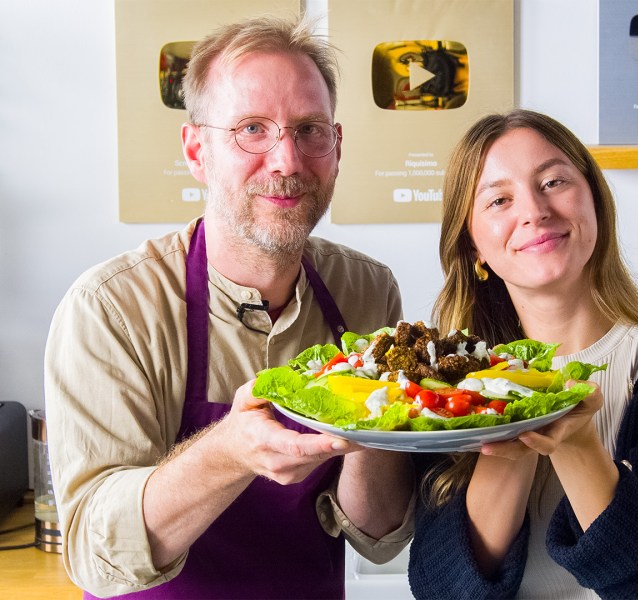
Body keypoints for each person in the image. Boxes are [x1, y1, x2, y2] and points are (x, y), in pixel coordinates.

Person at [44, 14, 415, 599]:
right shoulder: (112, 308)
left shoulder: (366, 291)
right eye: (251, 129)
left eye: (309, 130)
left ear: (336, 146)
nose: (287, 161)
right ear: (197, 150)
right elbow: (93, 554)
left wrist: (374, 427)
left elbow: (377, 538)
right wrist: (230, 450)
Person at [407, 109, 638, 599]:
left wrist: (576, 441)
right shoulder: (444, 389)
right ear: (473, 247)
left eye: (553, 181)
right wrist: (509, 423)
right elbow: (443, 591)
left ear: (595, 201)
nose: (534, 211)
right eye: (499, 200)